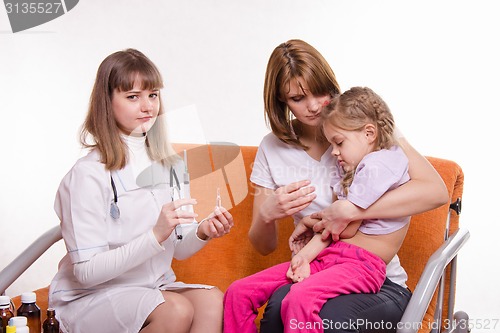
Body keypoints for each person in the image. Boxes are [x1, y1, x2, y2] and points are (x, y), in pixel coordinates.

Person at [245, 40, 449, 332]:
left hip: (379, 281)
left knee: (323, 318)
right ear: (281, 102)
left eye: (319, 91)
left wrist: (352, 210)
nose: (313, 106)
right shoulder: (272, 148)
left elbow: (435, 191)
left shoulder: (361, 127)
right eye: (297, 98)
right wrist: (267, 214)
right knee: (278, 309)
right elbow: (263, 246)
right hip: (319, 271)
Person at [48, 48, 234, 333]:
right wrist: (155, 234)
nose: (147, 107)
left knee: (212, 301)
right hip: (92, 296)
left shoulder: (170, 165)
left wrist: (203, 231)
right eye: (133, 97)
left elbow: (180, 249)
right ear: (106, 102)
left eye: (153, 95)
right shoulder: (87, 175)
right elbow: (86, 273)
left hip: (151, 287)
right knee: (176, 310)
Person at [223, 86, 411, 333]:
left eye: (339, 143)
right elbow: (333, 229)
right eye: (297, 98)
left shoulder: (381, 164)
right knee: (239, 292)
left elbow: (343, 226)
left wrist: (311, 224)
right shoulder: (350, 170)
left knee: (299, 298)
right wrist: (304, 256)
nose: (334, 152)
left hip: (362, 265)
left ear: (369, 133)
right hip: (332, 254)